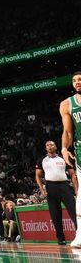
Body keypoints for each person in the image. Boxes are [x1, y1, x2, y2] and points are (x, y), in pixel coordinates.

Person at [36, 140, 76, 245]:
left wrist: (76, 189)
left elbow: (72, 174)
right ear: (45, 148)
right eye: (47, 145)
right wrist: (42, 189)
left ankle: (79, 233)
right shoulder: (42, 160)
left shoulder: (63, 158)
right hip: (51, 186)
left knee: (74, 211)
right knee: (55, 214)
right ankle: (61, 238)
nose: (50, 146)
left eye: (51, 145)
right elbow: (38, 175)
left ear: (55, 147)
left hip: (64, 186)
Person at [61, 70, 81, 248]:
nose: (77, 82)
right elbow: (68, 132)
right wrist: (64, 148)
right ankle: (80, 234)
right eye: (74, 80)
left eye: (80, 79)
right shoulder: (67, 104)